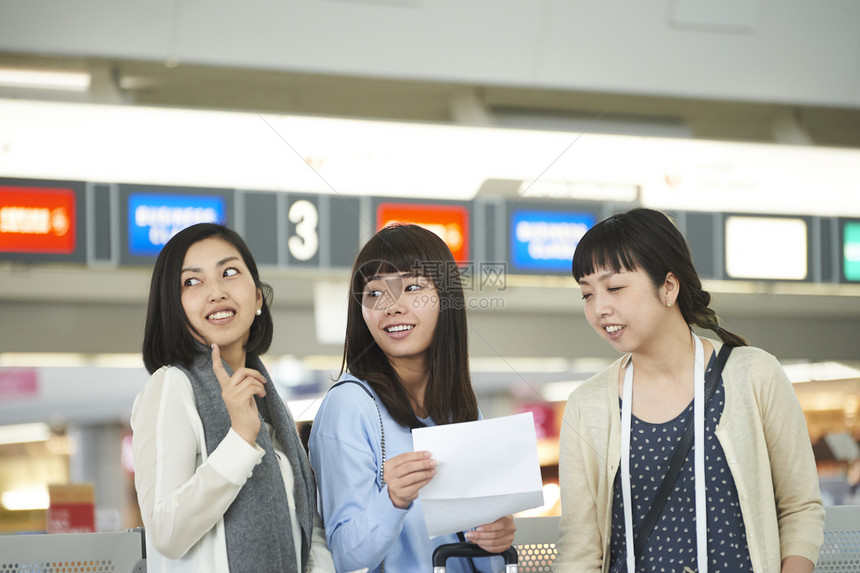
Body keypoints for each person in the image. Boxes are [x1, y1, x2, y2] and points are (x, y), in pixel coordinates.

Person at [555, 208, 824, 573]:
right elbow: (580, 552)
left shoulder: (754, 375)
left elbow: (800, 507)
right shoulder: (587, 407)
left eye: (614, 287)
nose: (600, 308)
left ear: (668, 286)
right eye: (587, 295)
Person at [309, 224, 516, 573]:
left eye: (413, 287)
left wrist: (495, 538)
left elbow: (487, 565)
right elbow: (344, 557)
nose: (391, 306)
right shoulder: (350, 405)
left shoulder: (459, 407)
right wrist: (393, 499)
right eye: (374, 293)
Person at [131, 222, 334, 573]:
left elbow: (307, 529)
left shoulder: (271, 401)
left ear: (257, 297)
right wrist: (240, 439)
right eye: (192, 281)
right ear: (173, 307)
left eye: (229, 273)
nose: (216, 292)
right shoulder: (172, 387)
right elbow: (165, 531)